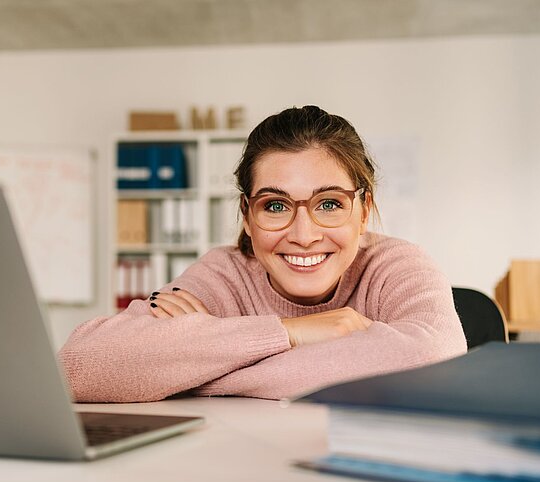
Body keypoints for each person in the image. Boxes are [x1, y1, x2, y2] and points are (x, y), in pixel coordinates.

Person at [59, 106, 467, 402]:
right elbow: (77, 367)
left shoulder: (396, 265)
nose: (303, 235)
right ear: (247, 216)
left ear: (363, 210)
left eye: (329, 203)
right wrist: (288, 333)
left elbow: (436, 360)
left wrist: (191, 372)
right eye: (275, 205)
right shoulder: (225, 274)